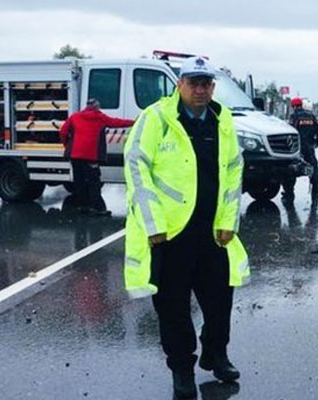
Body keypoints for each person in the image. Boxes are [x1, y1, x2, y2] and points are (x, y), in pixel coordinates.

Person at [122, 56, 250, 399]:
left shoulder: (222, 121)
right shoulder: (157, 118)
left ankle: (216, 354)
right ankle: (182, 368)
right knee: (174, 308)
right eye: (193, 83)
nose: (200, 89)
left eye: (206, 83)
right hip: (171, 234)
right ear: (179, 85)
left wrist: (228, 221)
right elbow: (136, 168)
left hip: (212, 233)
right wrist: (153, 225)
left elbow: (234, 171)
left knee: (220, 300)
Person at [59, 98, 134, 216]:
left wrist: (67, 144)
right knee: (94, 182)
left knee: (79, 181)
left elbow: (63, 132)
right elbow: (117, 122)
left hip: (75, 155)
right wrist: (134, 122)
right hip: (90, 156)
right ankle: (97, 208)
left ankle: (83, 206)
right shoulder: (99, 117)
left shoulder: (75, 117)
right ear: (96, 107)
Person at [282, 97, 318, 201]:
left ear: (293, 106)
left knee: (290, 170)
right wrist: (316, 142)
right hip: (309, 148)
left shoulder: (294, 116)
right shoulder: (311, 116)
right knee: (314, 168)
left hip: (297, 149)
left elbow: (290, 130)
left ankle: (289, 195)